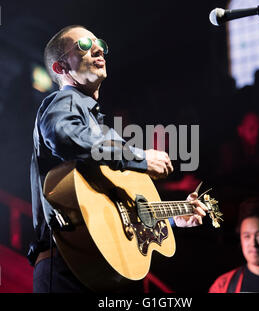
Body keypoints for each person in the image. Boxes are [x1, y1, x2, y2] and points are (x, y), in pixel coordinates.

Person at [29, 25, 208, 293]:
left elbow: (121, 212)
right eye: (85, 46)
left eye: (99, 43)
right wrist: (138, 156)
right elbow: (61, 134)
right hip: (67, 263)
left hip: (97, 267)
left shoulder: (103, 132)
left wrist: (172, 217)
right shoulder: (63, 101)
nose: (99, 48)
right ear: (60, 68)